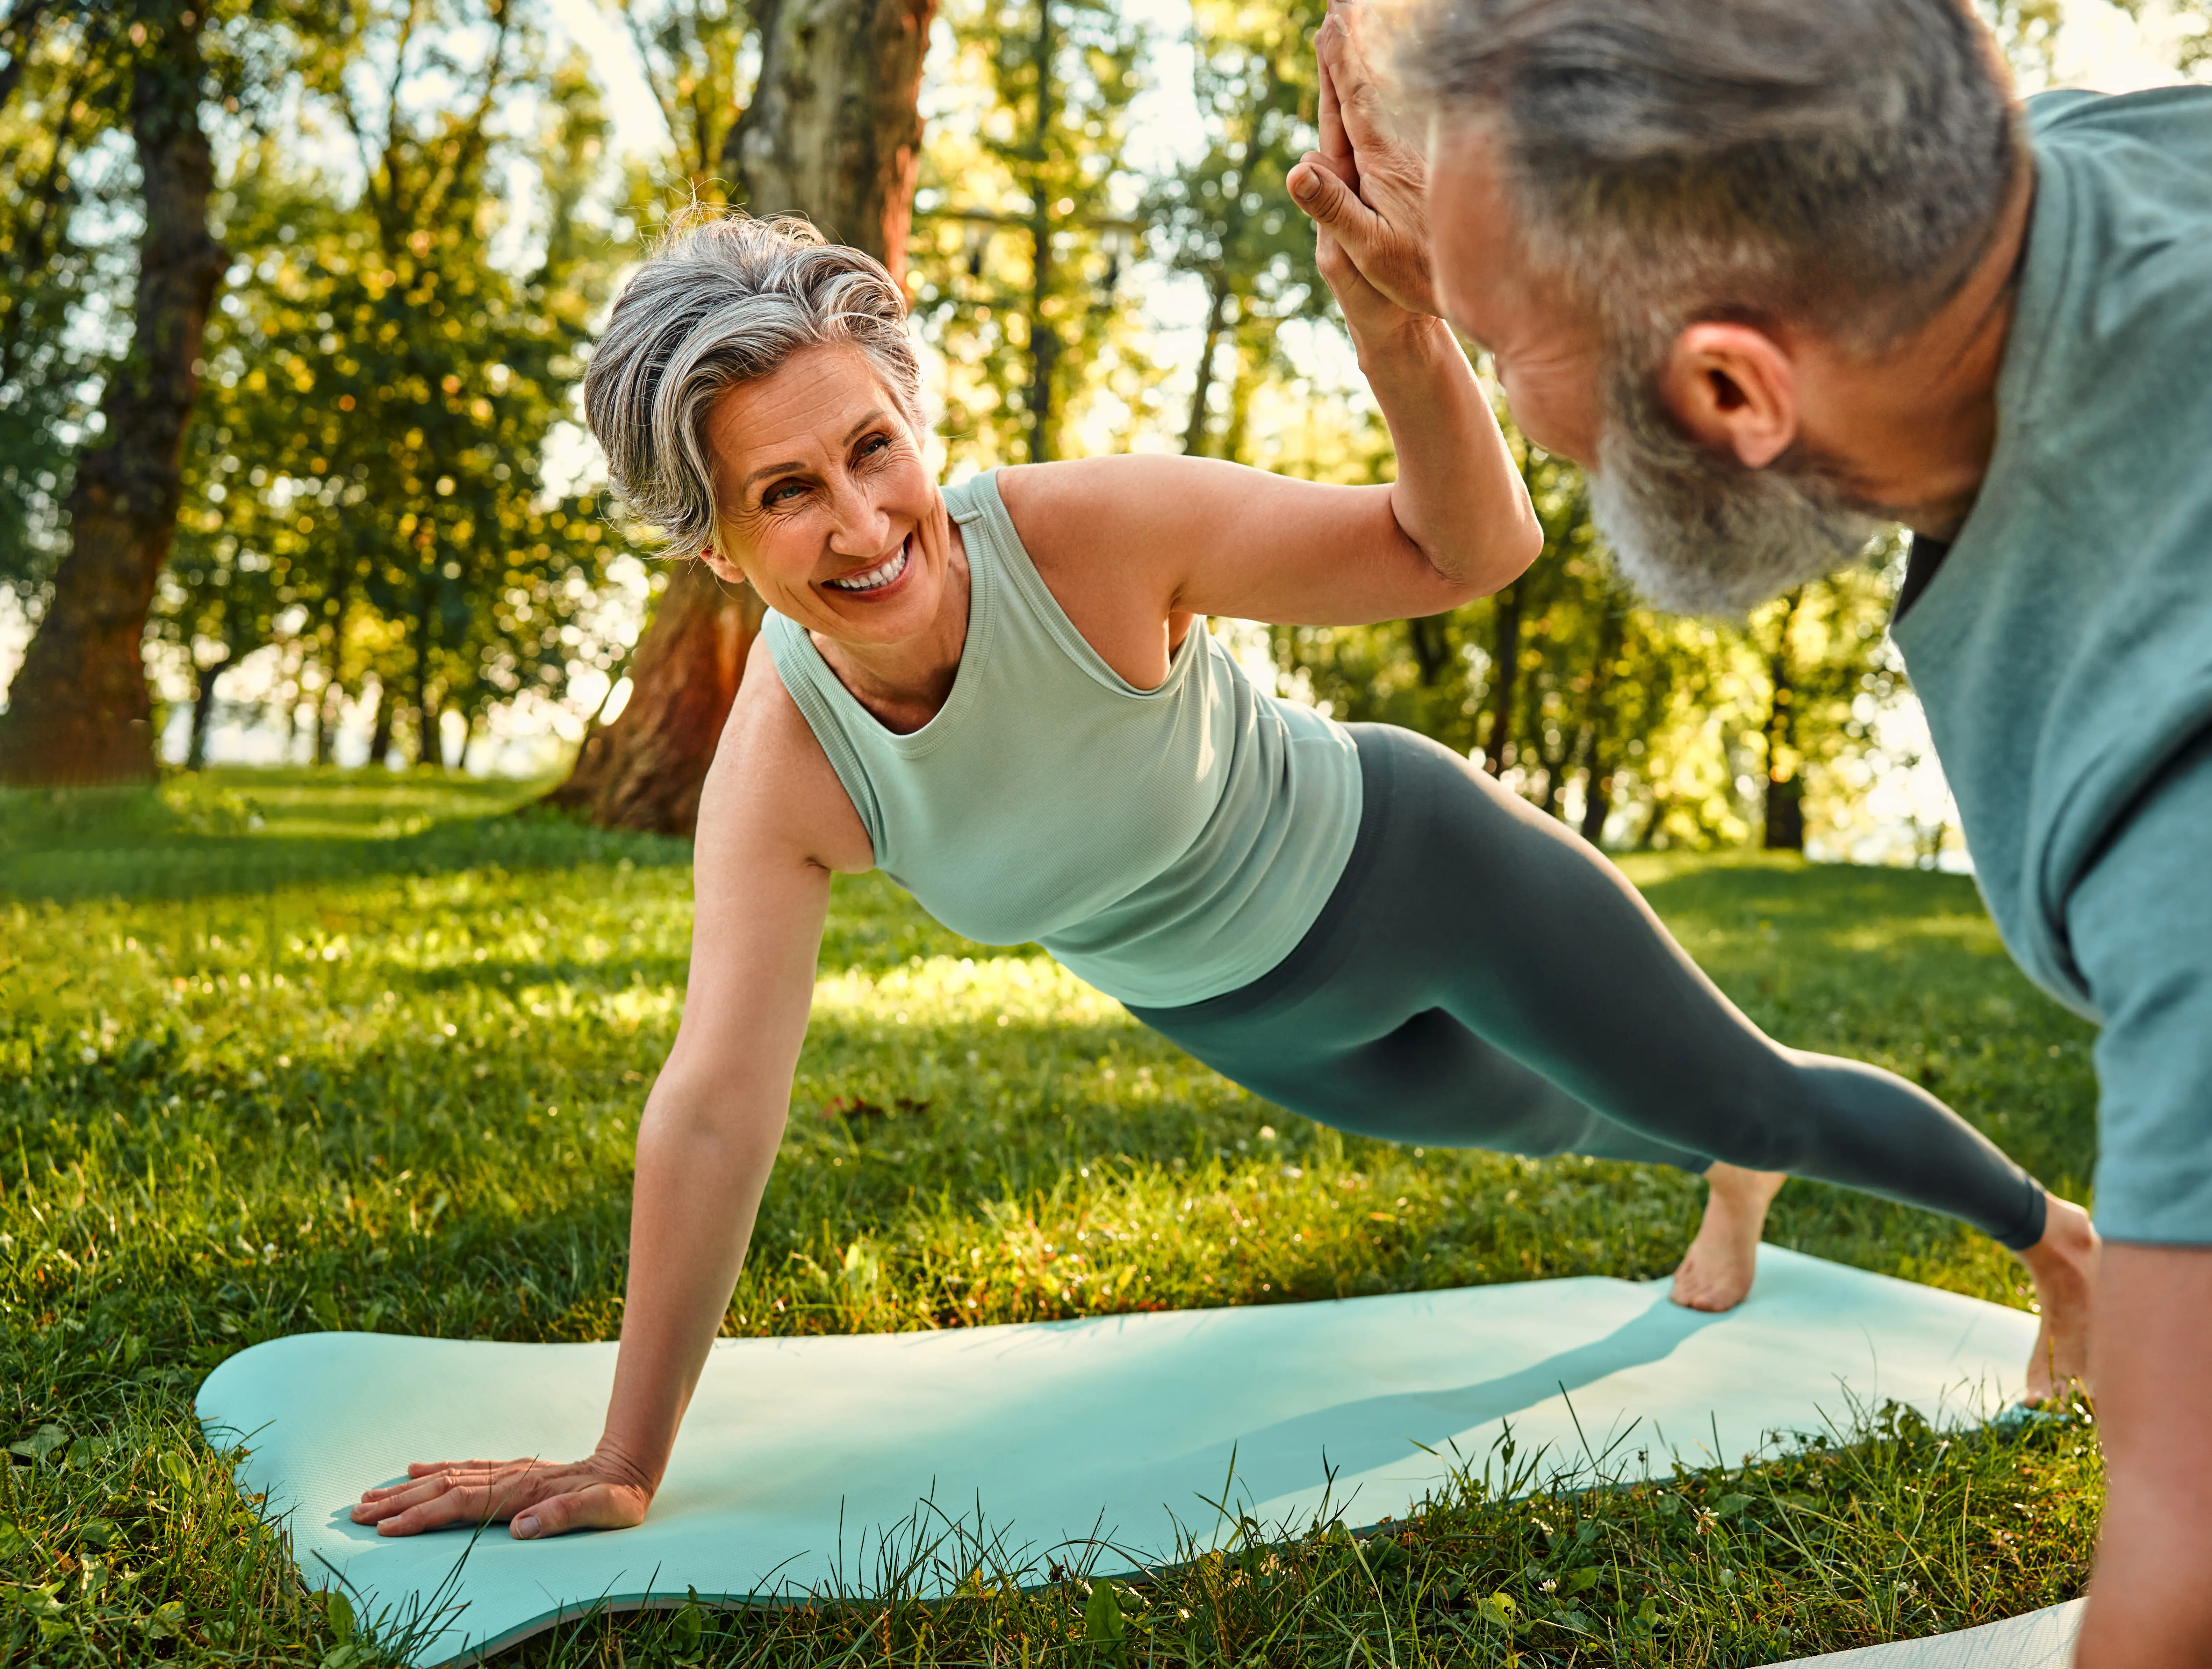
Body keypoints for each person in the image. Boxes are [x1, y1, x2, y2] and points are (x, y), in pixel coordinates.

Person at [346, 155, 2095, 1542]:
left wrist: (1400, 332)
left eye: (872, 448)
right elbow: (719, 1102)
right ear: (719, 550)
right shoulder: (786, 767)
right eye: (784, 493)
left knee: (1747, 1090)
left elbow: (1460, 553)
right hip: (1245, 1017)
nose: (862, 520)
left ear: (917, 426)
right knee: (1575, 1123)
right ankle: (1724, 1175)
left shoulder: (1082, 538)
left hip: (1417, 870)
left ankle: (2054, 1246)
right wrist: (626, 1454)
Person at [1317, 0, 2212, 1663]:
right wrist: (1466, 216)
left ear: (1733, 390)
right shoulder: (2043, 179)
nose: (1497, 382)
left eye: (1494, 346)